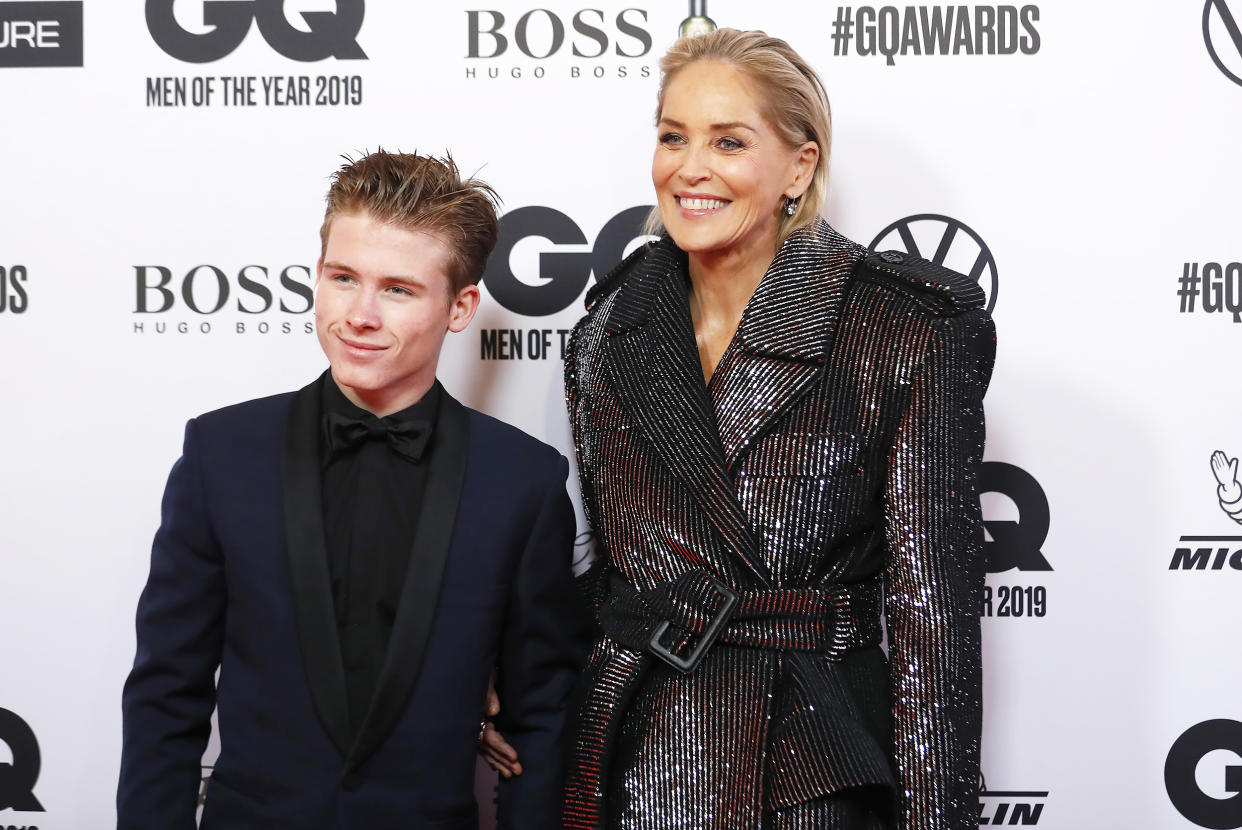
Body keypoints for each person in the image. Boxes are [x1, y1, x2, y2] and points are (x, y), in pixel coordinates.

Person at [482, 28, 995, 830]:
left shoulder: (906, 327)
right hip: (635, 752)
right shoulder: (608, 331)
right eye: (672, 136)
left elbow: (933, 622)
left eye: (729, 141)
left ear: (799, 165)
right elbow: (613, 580)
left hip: (812, 763)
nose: (690, 168)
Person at [118, 151, 588, 830]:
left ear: (460, 308)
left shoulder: (522, 482)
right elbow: (166, 693)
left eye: (399, 289)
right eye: (343, 278)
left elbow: (542, 716)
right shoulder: (222, 456)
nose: (360, 314)